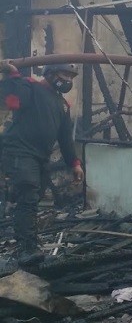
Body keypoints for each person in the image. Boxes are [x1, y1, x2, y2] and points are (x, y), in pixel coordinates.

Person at [0, 62, 83, 267]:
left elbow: (65, 137)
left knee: (33, 197)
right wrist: (13, 76)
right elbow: (13, 101)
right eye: (65, 74)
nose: (68, 80)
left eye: (72, 77)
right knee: (28, 195)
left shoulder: (62, 104)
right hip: (19, 150)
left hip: (39, 157)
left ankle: (25, 236)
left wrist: (74, 163)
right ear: (51, 72)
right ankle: (26, 249)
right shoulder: (31, 87)